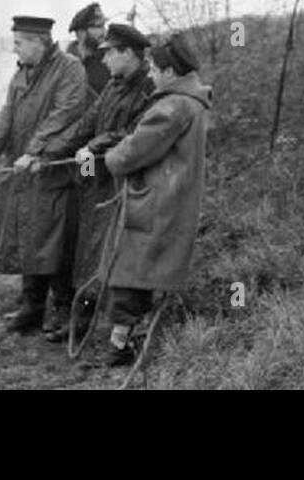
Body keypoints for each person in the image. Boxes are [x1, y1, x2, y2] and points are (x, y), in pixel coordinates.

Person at [0, 15, 92, 335]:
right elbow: (5, 120)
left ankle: (64, 310)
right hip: (27, 174)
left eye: (18, 43)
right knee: (30, 239)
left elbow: (66, 113)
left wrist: (35, 151)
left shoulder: (70, 69)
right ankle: (32, 307)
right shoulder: (21, 74)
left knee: (56, 243)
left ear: (37, 41)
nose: (14, 48)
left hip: (56, 170)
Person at [101, 31, 211, 367]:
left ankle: (119, 345)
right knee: (145, 270)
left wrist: (109, 157)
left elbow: (131, 154)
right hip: (170, 199)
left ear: (170, 73)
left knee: (130, 272)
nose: (150, 74)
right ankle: (129, 338)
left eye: (155, 69)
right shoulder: (193, 102)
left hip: (154, 202)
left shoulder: (172, 106)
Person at [45, 22, 154, 344]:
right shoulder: (113, 84)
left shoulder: (148, 88)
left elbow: (136, 132)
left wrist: (93, 146)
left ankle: (119, 325)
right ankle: (84, 318)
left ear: (128, 54)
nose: (103, 60)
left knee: (112, 250)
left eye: (109, 54)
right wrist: (47, 154)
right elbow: (87, 123)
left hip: (124, 181)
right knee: (88, 245)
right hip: (94, 176)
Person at [66, 2, 111, 96]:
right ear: (82, 33)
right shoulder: (65, 65)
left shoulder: (108, 61)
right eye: (98, 27)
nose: (104, 32)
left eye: (104, 26)